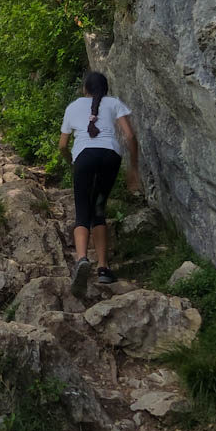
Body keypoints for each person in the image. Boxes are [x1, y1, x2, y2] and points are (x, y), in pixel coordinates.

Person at [58, 71, 140, 299]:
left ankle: (82, 260)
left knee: (83, 212)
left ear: (85, 88)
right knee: (99, 210)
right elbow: (131, 137)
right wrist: (134, 169)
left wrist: (71, 161)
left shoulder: (73, 107)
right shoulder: (114, 103)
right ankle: (104, 268)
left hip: (84, 158)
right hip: (110, 157)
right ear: (105, 88)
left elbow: (63, 145)